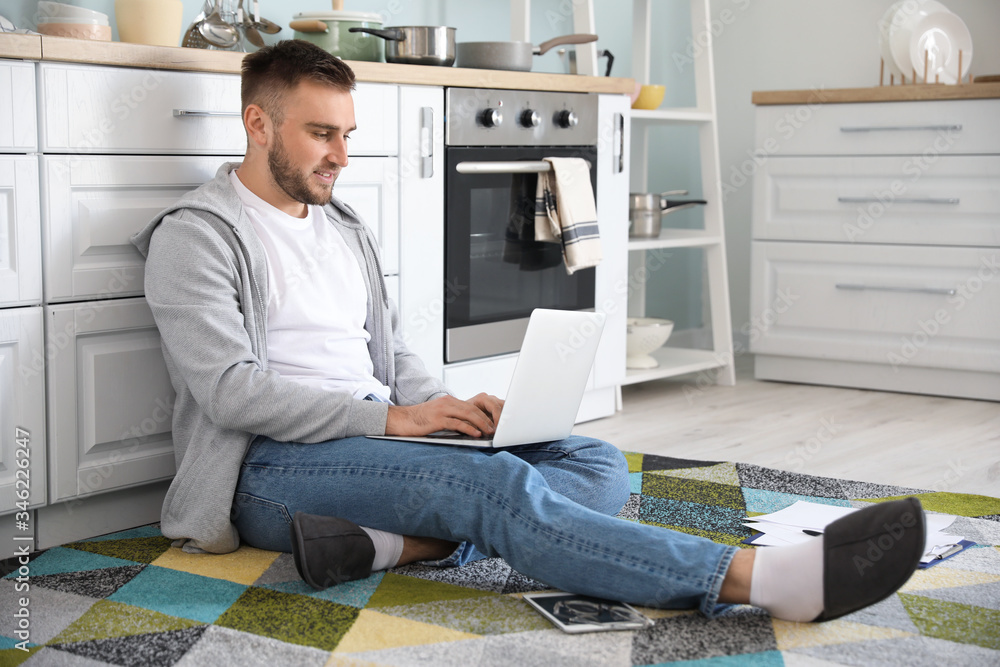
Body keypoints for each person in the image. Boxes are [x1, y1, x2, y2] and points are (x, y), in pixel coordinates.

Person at [131, 39, 925, 623]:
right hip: (272, 472)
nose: (342, 154)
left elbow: (389, 352)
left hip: (377, 443)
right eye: (321, 134)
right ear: (258, 124)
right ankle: (758, 578)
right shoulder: (195, 236)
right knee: (498, 488)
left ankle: (396, 545)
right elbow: (230, 392)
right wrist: (396, 420)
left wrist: (445, 408)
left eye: (347, 132)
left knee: (591, 458)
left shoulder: (342, 226)